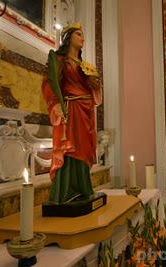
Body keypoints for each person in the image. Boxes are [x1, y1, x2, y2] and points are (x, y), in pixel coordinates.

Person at [42, 22, 102, 204]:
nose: (82, 38)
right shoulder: (59, 61)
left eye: (82, 35)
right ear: (68, 38)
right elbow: (49, 83)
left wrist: (95, 85)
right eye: (78, 34)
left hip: (85, 112)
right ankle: (65, 191)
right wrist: (56, 104)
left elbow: (95, 91)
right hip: (71, 109)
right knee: (69, 149)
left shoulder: (85, 66)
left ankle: (83, 188)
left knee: (83, 149)